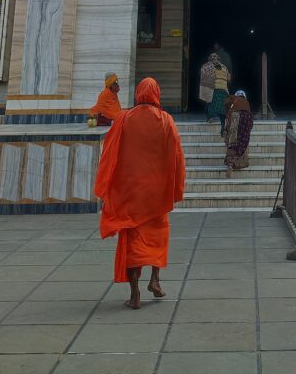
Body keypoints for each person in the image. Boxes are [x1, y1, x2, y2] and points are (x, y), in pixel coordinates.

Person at [94, 77, 186, 310]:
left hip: (130, 193)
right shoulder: (166, 121)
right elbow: (176, 157)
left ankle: (134, 294)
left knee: (132, 243)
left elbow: (109, 153)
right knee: (157, 236)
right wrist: (175, 187)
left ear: (137, 94)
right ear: (157, 94)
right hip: (155, 194)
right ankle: (155, 279)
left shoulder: (124, 119)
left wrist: (108, 185)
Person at [224, 90, 254, 175]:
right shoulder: (246, 103)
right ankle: (240, 162)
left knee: (232, 140)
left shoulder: (232, 100)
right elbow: (250, 122)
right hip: (246, 117)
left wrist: (226, 130)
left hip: (234, 116)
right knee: (243, 139)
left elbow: (227, 109)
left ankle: (230, 163)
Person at [205, 53, 230, 132]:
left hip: (214, 90)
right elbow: (229, 78)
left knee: (210, 104)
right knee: (222, 109)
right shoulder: (224, 67)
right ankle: (223, 126)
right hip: (224, 90)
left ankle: (209, 118)